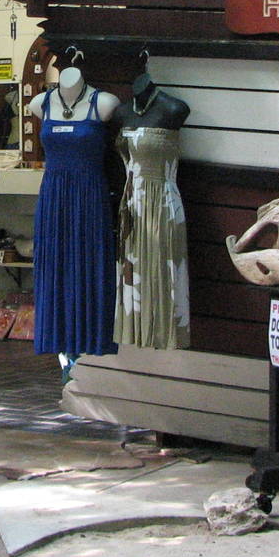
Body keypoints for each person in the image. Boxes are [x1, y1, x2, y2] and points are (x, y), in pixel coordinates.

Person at [30, 65, 118, 359]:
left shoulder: (104, 102)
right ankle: (59, 343)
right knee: (54, 265)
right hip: (53, 197)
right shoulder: (40, 103)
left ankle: (91, 338)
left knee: (89, 262)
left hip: (89, 196)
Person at [113, 70, 191, 349]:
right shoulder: (122, 112)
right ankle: (136, 333)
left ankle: (165, 334)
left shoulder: (174, 109)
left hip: (162, 201)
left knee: (163, 267)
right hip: (133, 203)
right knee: (133, 268)